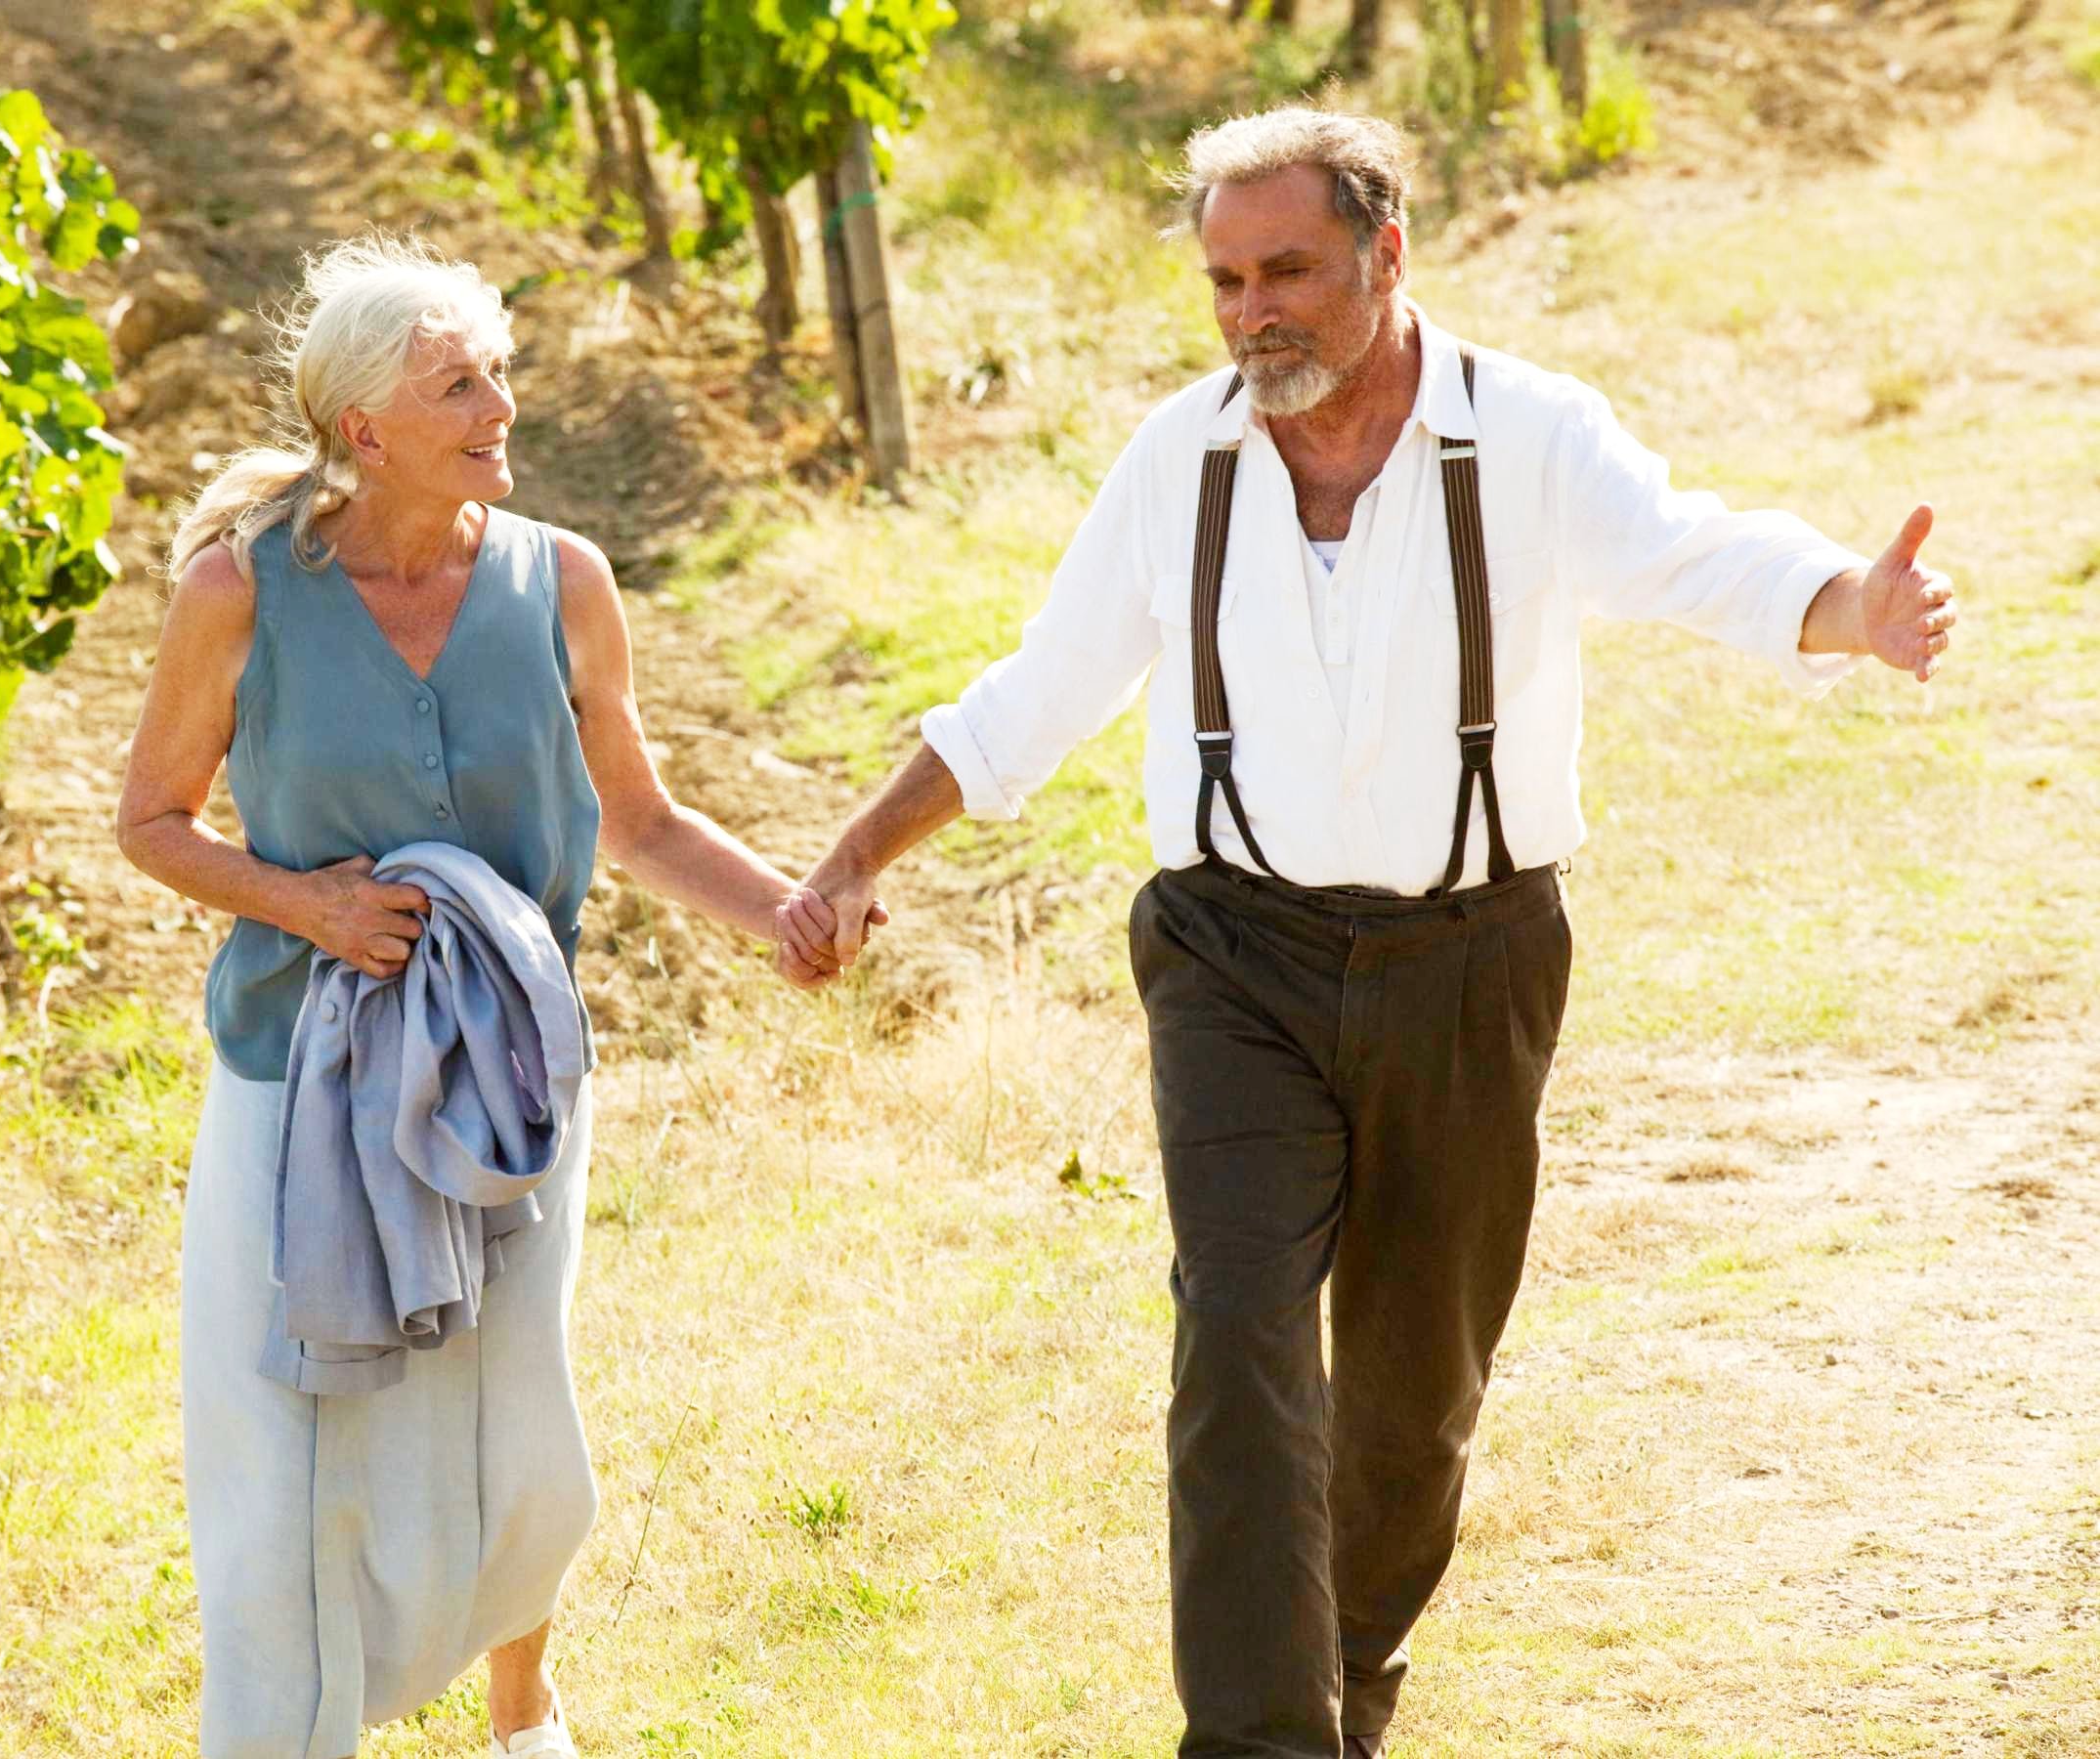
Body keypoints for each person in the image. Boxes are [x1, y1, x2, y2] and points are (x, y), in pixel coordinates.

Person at [777, 107, 1955, 1759]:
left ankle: (1350, 1682)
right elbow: (1038, 688)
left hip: (1474, 965)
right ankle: (1259, 1740)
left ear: (1387, 257)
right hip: (1229, 960)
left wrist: (1851, 608)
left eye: (1290, 271)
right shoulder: (1174, 463)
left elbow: (1690, 551)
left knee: (1414, 1397)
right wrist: (854, 852)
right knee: (1241, 1342)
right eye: (1225, 280)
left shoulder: (1528, 433)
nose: (1254, 310)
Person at [115, 235, 845, 1759]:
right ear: (362, 427)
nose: (502, 405)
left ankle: (522, 1697)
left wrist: (783, 907)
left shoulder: (562, 580)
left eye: (499, 371)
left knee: (517, 1422)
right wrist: (306, 903)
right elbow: (152, 822)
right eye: (463, 383)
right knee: (285, 1429)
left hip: (509, 1078)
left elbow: (637, 822)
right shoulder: (237, 591)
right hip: (292, 1078)